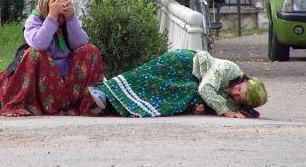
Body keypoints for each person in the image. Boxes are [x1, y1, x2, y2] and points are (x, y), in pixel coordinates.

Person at [0, 0, 106, 117]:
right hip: (41, 81)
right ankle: (40, 104)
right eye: (59, 13)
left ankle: (81, 103)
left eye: (63, 14)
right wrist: (52, 17)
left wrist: (71, 18)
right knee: (36, 53)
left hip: (66, 79)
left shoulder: (66, 23)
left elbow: (80, 43)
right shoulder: (34, 21)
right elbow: (40, 43)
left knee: (90, 50)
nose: (60, 18)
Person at [89, 49, 268, 118]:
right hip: (183, 64)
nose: (234, 93)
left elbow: (211, 99)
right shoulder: (229, 69)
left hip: (192, 81)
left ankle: (114, 107)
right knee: (147, 77)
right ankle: (107, 90)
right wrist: (227, 111)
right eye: (238, 89)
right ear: (244, 80)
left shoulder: (234, 99)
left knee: (169, 98)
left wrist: (202, 109)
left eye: (239, 97)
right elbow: (206, 88)